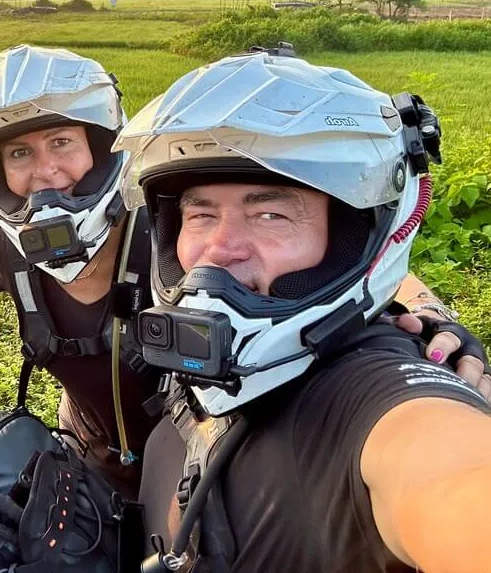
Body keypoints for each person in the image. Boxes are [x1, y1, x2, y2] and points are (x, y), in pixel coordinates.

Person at [0, 44, 487, 499]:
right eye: (20, 154)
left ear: (101, 149)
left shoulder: (174, 236)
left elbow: (359, 274)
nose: (45, 173)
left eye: (62, 143)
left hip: (198, 475)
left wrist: (435, 317)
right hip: (87, 467)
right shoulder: (9, 250)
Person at [117, 50, 491, 572]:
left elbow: (453, 477)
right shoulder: (197, 361)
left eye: (270, 214)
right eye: (201, 213)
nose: (218, 251)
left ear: (350, 239)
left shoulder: (377, 403)